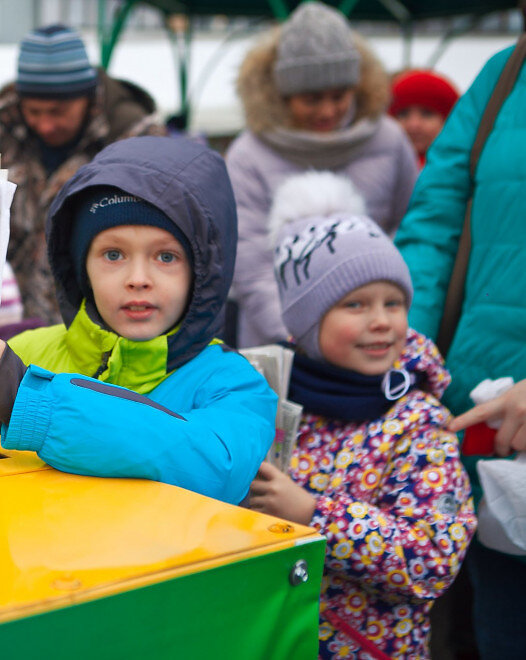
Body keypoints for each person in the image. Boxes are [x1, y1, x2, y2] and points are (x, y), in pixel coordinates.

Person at [0, 136, 277, 503]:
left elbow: (217, 467)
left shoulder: (235, 384)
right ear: (80, 266)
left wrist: (29, 403)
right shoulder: (26, 352)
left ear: (203, 271)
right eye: (113, 254)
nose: (138, 279)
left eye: (166, 256)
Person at [248, 172, 475, 659]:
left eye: (394, 303)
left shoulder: (418, 422)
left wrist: (314, 514)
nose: (381, 321)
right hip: (279, 641)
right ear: (307, 324)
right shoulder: (269, 397)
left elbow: (433, 559)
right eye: (355, 304)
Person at [394, 23, 526, 658]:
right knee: (492, 628)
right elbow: (434, 220)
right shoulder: (505, 73)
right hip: (484, 429)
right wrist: (393, 341)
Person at [226, 1, 418, 348]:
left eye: (339, 95)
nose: (328, 110)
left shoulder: (389, 139)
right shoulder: (248, 154)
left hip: (376, 338)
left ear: (357, 88)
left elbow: (414, 229)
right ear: (282, 95)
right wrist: (304, 336)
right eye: (312, 99)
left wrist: (393, 316)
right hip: (282, 342)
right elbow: (251, 265)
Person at [0, 24, 166, 326]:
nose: (46, 125)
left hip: (102, 327)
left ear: (87, 98)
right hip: (9, 325)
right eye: (34, 112)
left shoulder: (133, 137)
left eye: (58, 111)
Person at [389, 69, 460, 168]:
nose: (413, 125)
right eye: (403, 114)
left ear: (448, 120)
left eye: (426, 113)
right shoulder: (375, 166)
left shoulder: (467, 172)